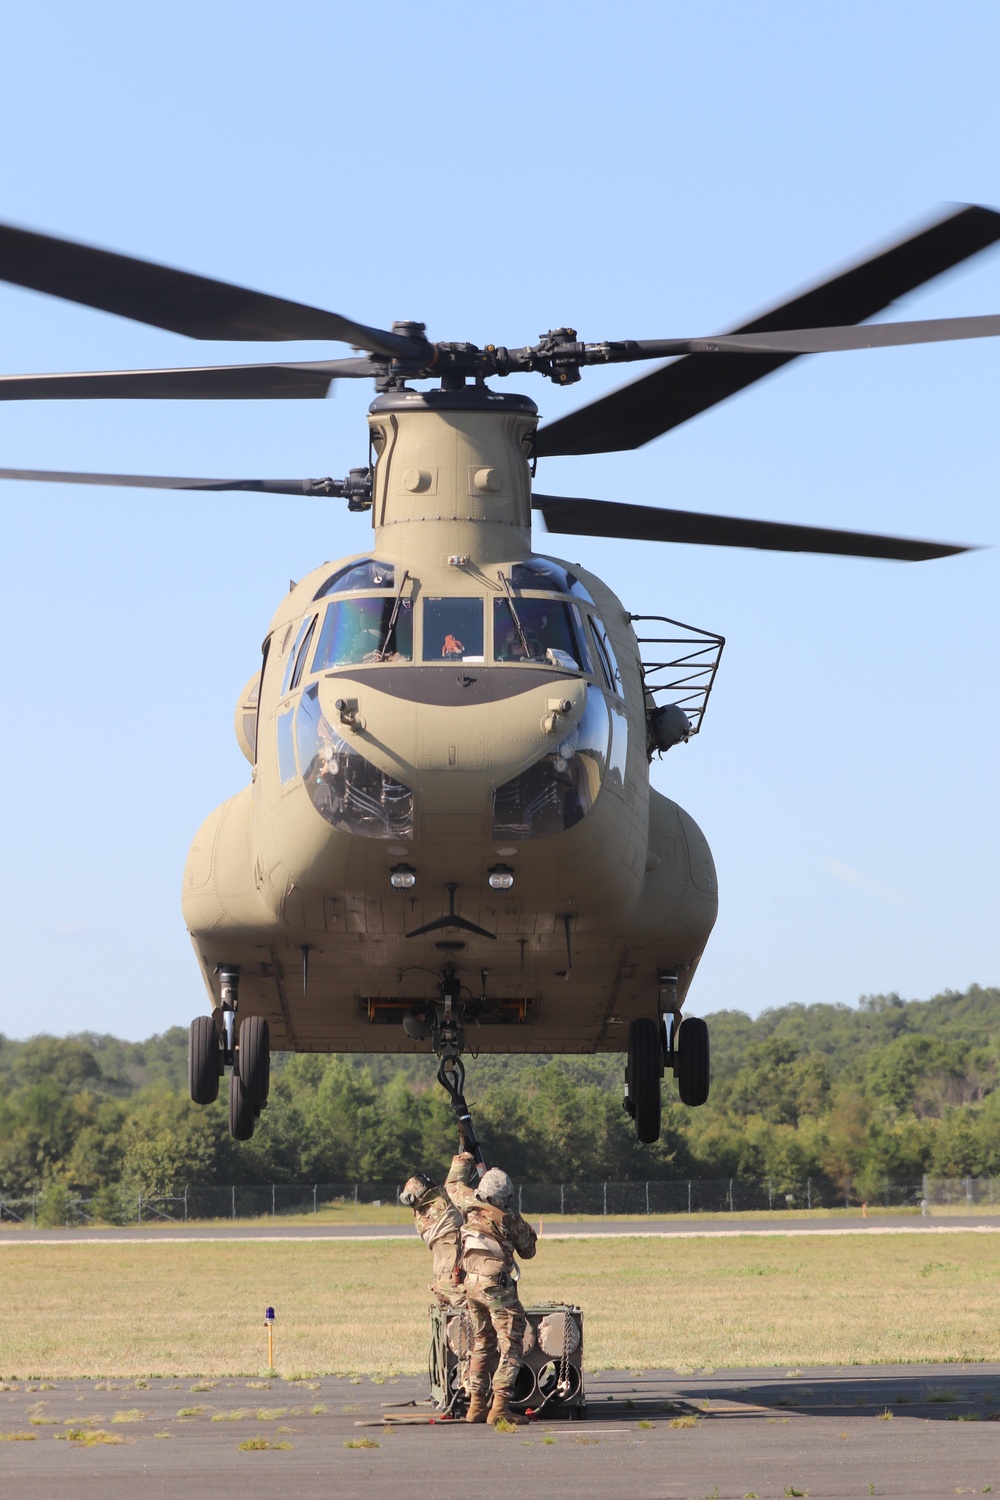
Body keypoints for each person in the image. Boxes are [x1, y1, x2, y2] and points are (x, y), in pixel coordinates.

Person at [445, 1150, 537, 1426]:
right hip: (497, 1288)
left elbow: (452, 1186)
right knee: (510, 1346)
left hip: (471, 1285)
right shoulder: (509, 1220)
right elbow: (529, 1250)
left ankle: (476, 1406)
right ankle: (499, 1408)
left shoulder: (468, 1204)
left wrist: (463, 1160)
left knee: (482, 1343)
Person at [398, 1172, 465, 1308]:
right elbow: (455, 1180)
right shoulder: (443, 1205)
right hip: (453, 1275)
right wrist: (464, 1156)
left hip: (441, 1275)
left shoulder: (421, 1217)